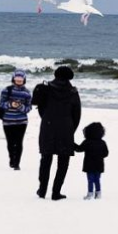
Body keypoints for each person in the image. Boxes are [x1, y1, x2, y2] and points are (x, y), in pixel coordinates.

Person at [31, 66, 81, 201]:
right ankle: (56, 192)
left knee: (45, 160)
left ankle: (42, 190)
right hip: (66, 129)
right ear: (70, 77)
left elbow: (40, 108)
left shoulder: (46, 89)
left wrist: (47, 119)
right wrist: (70, 129)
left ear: (55, 74)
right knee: (63, 162)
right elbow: (77, 115)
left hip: (48, 127)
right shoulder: (73, 92)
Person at [0, 70, 32, 170]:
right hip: (8, 120)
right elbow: (1, 104)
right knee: (10, 143)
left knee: (19, 142)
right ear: (13, 80)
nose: (18, 82)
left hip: (22, 121)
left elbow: (28, 108)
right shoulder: (6, 90)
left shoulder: (27, 93)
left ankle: (17, 163)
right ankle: (12, 159)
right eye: (17, 80)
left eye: (20, 81)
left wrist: (20, 106)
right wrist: (10, 104)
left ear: (24, 81)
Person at [75, 122, 109, 200]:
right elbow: (106, 153)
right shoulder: (102, 143)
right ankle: (98, 193)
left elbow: (79, 149)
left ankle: (90, 193)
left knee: (90, 180)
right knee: (97, 179)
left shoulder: (87, 142)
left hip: (89, 165)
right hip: (99, 165)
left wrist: (72, 144)